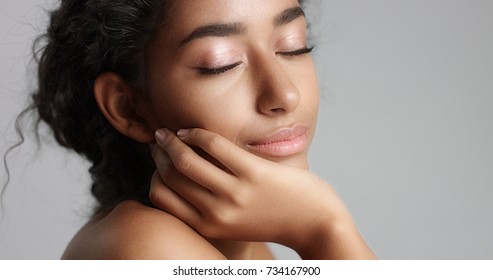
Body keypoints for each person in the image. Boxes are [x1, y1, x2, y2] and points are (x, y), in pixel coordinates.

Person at [21, 0, 376, 259]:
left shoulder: (250, 245)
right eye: (222, 64)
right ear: (129, 107)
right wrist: (324, 228)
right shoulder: (144, 247)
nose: (285, 94)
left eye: (293, 46)